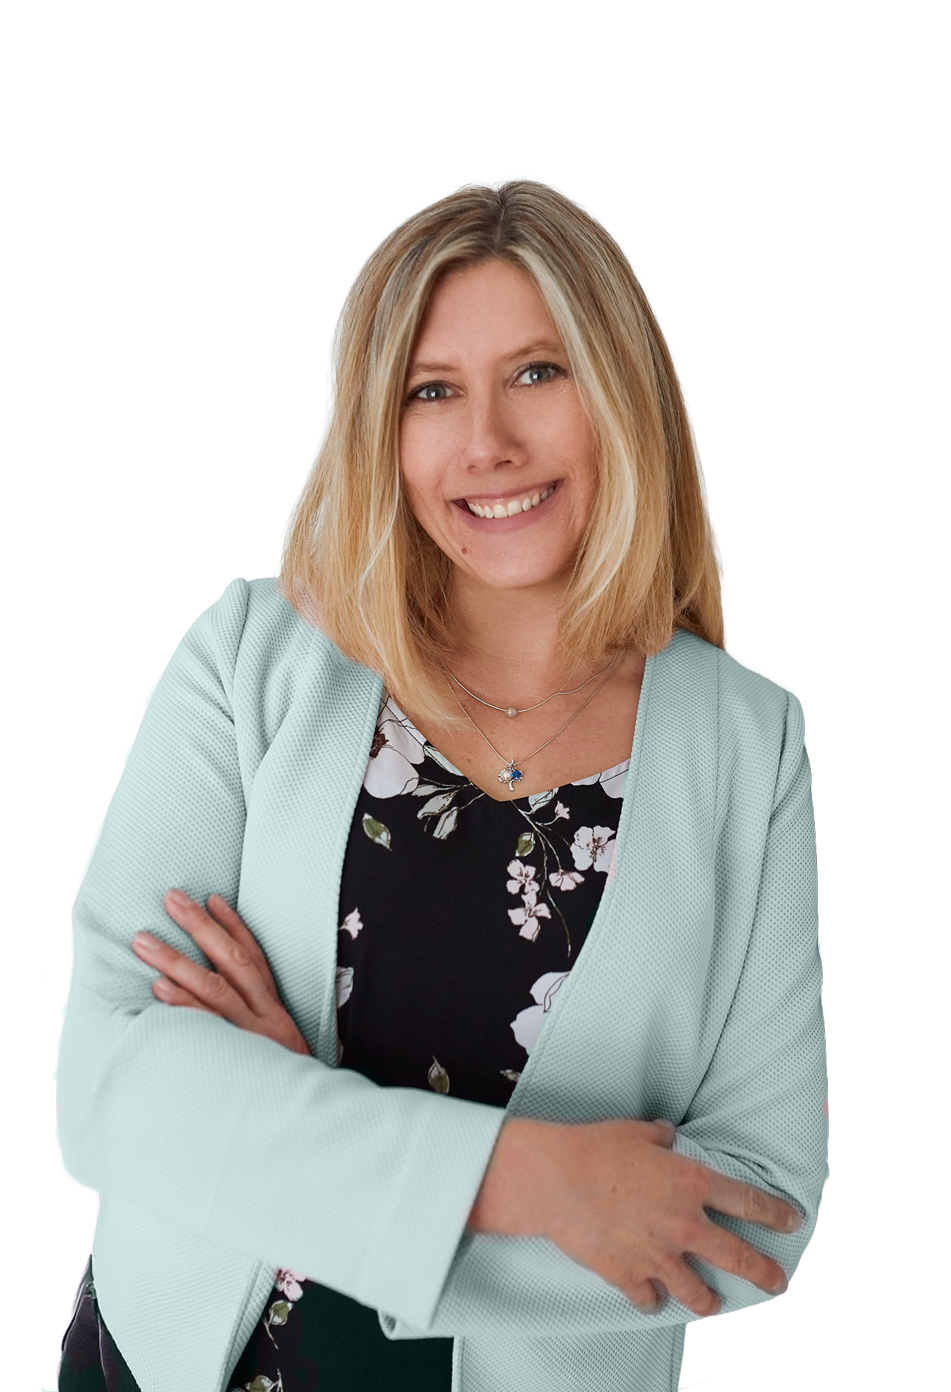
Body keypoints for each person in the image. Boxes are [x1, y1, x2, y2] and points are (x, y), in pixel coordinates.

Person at [54, 175, 828, 1392]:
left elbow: (750, 1221)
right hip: (168, 1362)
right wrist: (539, 1185)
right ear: (380, 425)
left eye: (538, 372)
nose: (488, 445)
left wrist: (282, 1123)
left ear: (619, 392)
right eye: (431, 390)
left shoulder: (746, 746)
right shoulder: (251, 665)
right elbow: (108, 1081)